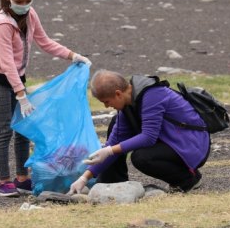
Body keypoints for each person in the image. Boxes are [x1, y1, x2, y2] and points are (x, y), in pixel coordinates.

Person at [0, 0, 91, 198]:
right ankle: (4, 183)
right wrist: (21, 95)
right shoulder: (2, 24)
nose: (24, 3)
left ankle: (22, 178)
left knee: (23, 130)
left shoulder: (30, 14)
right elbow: (6, 63)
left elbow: (45, 41)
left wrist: (72, 55)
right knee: (4, 130)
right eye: (20, 0)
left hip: (17, 78)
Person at [68, 69, 210, 194]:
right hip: (170, 140)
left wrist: (110, 150)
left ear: (118, 94)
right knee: (114, 128)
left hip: (191, 143)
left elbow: (148, 137)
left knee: (142, 157)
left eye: (106, 101)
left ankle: (188, 180)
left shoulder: (152, 94)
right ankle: (112, 184)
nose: (106, 106)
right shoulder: (128, 105)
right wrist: (84, 177)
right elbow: (114, 143)